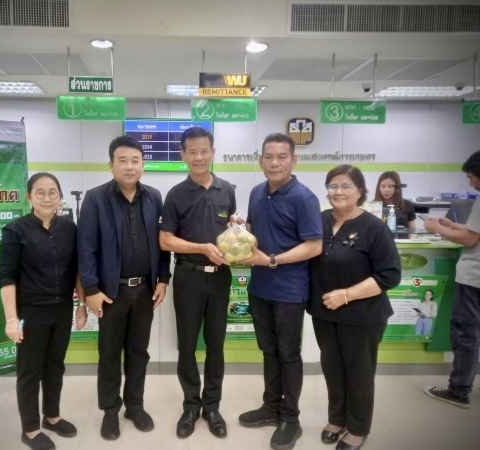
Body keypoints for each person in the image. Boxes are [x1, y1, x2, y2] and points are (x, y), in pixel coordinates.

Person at [77, 135, 171, 440]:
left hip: (144, 290)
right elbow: (86, 248)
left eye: (135, 160)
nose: (130, 166)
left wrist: (163, 278)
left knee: (138, 352)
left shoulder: (154, 197)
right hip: (109, 294)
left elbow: (163, 243)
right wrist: (91, 290)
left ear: (143, 164)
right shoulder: (95, 199)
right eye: (123, 160)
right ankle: (109, 411)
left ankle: (135, 405)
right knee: (109, 354)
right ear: (111, 165)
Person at [236, 133, 323, 450]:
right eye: (268, 156)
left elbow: (314, 245)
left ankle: (291, 418)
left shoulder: (305, 198)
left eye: (282, 156)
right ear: (260, 160)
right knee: (269, 351)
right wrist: (240, 228)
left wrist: (271, 260)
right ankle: (270, 407)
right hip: (259, 287)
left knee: (288, 354)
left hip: (289, 290)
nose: (274, 163)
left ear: (294, 160)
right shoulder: (257, 193)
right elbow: (255, 232)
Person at [308, 165, 401, 450]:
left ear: (360, 190)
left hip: (363, 315)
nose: (338, 191)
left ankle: (358, 428)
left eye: (346, 185)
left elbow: (389, 275)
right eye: (333, 185)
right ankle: (337, 419)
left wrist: (347, 295)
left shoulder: (374, 228)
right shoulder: (319, 220)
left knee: (359, 372)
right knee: (332, 368)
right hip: (325, 313)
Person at [0, 172, 87, 450]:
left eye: (52, 192)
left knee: (55, 366)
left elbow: (78, 271)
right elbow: (6, 277)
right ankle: (30, 429)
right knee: (30, 370)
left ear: (60, 197)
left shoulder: (70, 228)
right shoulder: (15, 231)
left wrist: (81, 305)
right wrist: (11, 319)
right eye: (40, 193)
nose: (47, 198)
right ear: (29, 197)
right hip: (30, 311)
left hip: (62, 308)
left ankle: (52, 416)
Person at [159, 126, 236, 439]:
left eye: (205, 151)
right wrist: (202, 248)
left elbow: (232, 229)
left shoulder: (227, 190)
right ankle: (191, 405)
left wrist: (238, 230)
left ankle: (212, 406)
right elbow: (165, 240)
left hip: (220, 279)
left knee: (216, 345)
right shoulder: (175, 195)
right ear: (183, 155)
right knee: (188, 345)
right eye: (192, 152)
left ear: (213, 152)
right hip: (188, 276)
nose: (199, 157)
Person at [422, 149, 480, 409]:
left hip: (474, 279)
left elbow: (470, 239)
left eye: (471, 176)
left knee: (465, 333)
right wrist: (452, 226)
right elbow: (473, 231)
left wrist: (437, 229)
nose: (470, 182)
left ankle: (458, 391)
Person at [374, 171, 416, 237]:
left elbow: (412, 231)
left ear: (397, 188)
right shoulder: (373, 205)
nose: (386, 190)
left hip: (402, 242)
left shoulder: (408, 205)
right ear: (378, 187)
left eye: (390, 186)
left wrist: (411, 241)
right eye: (383, 186)